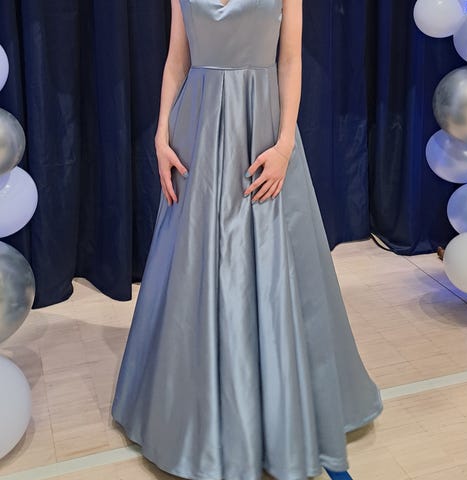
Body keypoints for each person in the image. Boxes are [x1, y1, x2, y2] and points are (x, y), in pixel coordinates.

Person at [111, 1, 384, 479]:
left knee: (272, 267)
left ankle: (280, 418)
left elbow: (290, 60)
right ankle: (191, 418)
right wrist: (161, 134)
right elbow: (177, 60)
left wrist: (285, 145)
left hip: (261, 133)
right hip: (195, 133)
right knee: (193, 265)